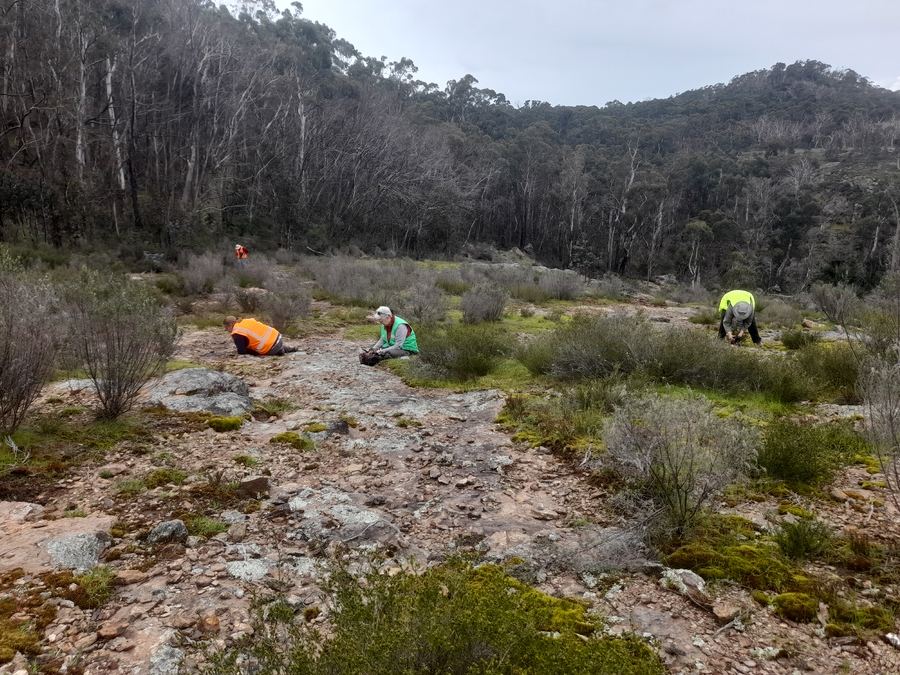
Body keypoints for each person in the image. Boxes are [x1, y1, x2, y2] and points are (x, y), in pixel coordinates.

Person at [223, 316, 297, 356]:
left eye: (226, 328)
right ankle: (282, 348)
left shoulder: (237, 332)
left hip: (269, 347)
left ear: (230, 325)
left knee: (250, 350)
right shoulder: (246, 321)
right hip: (278, 338)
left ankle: (277, 351)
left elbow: (242, 352)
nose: (227, 330)